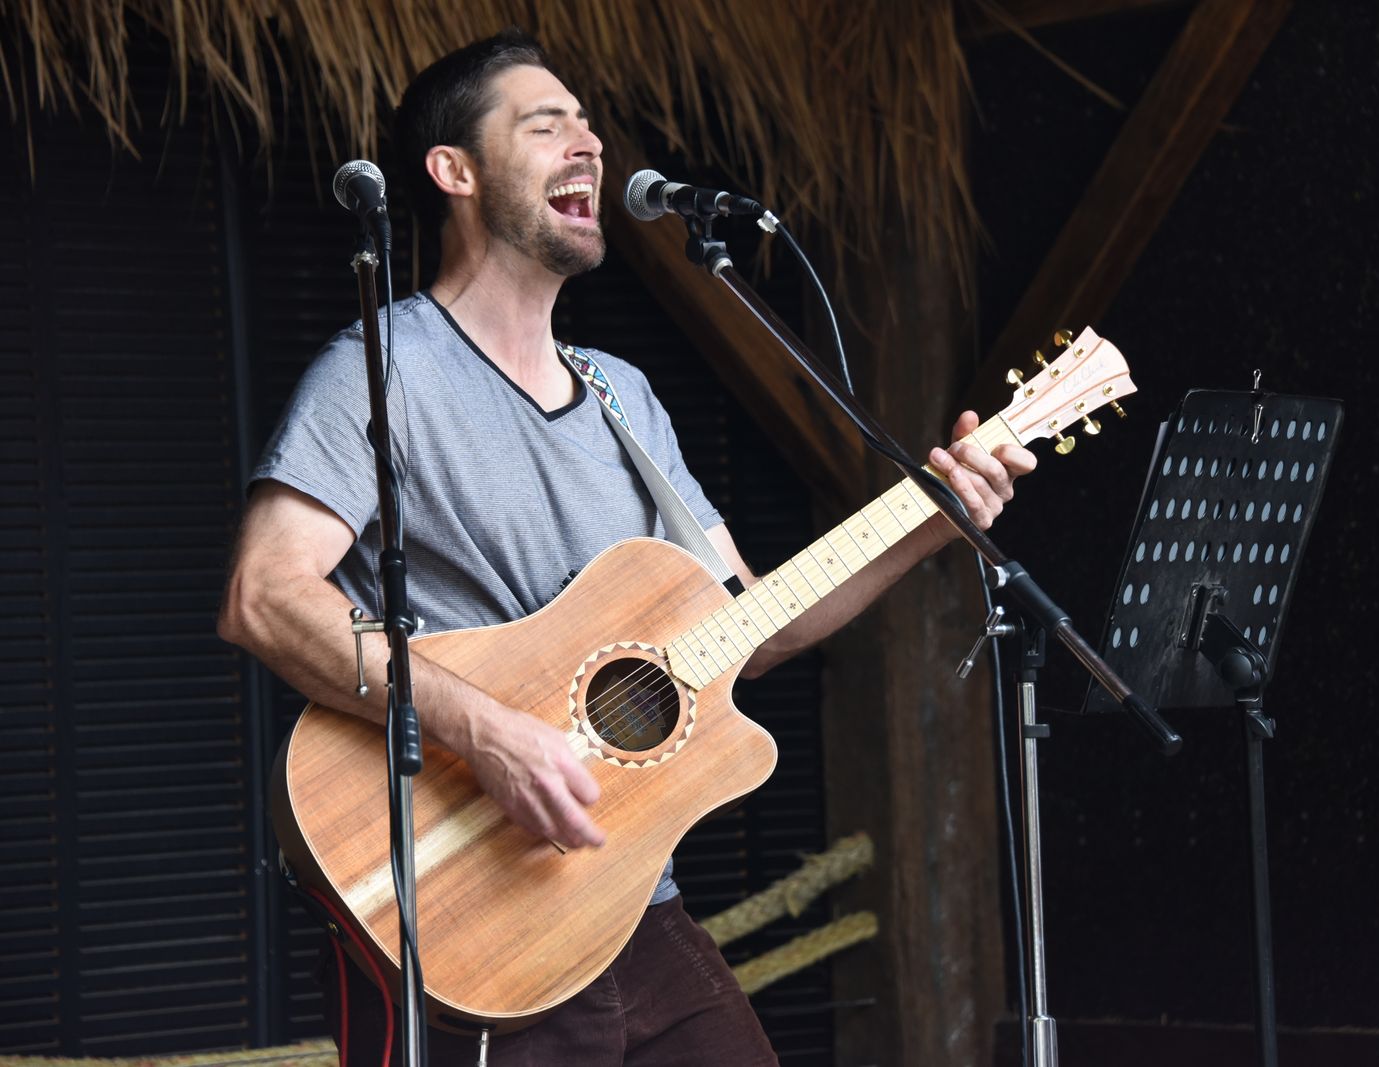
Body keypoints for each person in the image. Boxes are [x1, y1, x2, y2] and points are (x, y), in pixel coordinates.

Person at [217, 29, 1036, 1066]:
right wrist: (487, 731)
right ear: (454, 172)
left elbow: (746, 623)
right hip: (479, 915)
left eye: (588, 123)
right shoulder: (382, 369)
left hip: (629, 901)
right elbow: (263, 594)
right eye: (544, 124)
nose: (590, 143)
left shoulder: (624, 398)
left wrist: (927, 525)